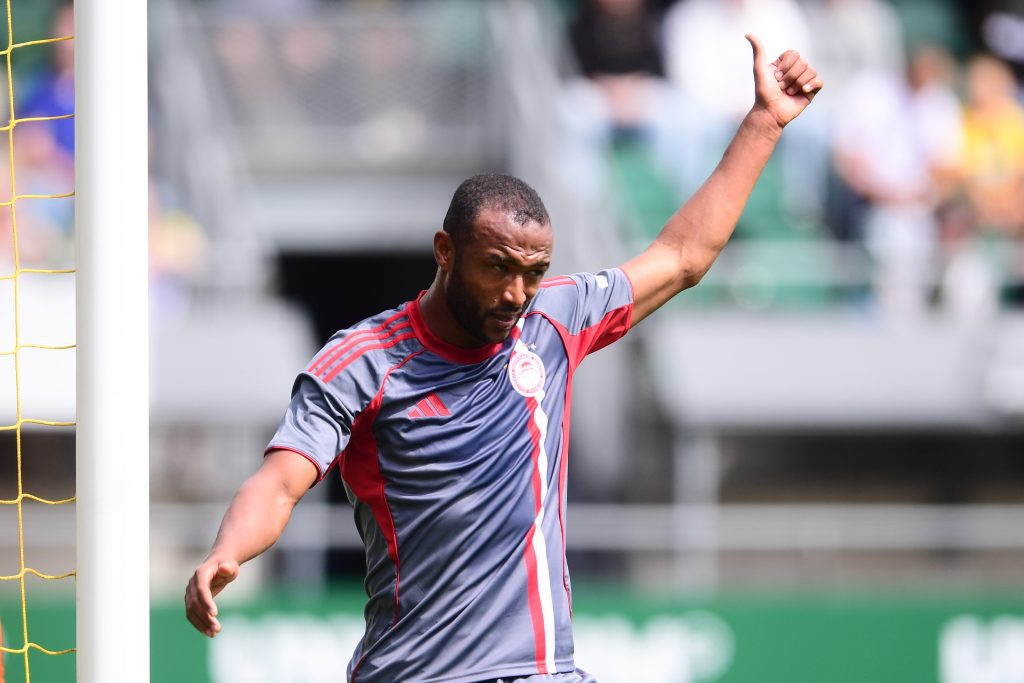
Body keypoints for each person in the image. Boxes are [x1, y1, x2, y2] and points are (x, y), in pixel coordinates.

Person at [185, 34, 822, 683]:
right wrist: (227, 552)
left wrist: (764, 122)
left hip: (542, 672)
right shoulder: (362, 361)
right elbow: (280, 482)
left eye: (534, 272)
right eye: (497, 268)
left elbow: (683, 257)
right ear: (445, 251)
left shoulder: (554, 319)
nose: (517, 293)